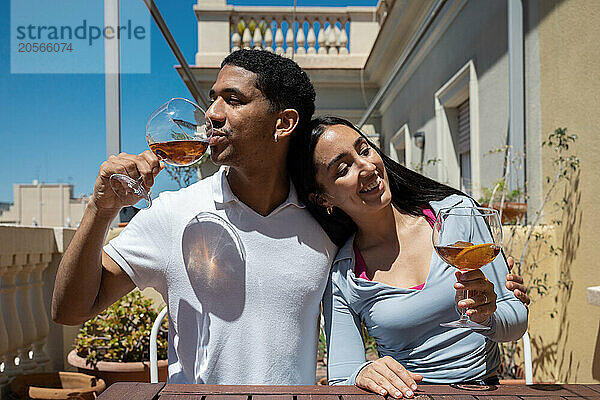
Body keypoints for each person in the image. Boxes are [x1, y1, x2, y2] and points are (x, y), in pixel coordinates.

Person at [52, 50, 529, 385]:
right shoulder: (174, 212)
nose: (211, 113)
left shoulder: (326, 226)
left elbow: (397, 278)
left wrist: (497, 302)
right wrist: (100, 209)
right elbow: (69, 312)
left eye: (233, 100)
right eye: (213, 98)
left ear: (283, 122)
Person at [288, 116, 528, 398]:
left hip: (484, 391)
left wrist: (487, 316)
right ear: (323, 199)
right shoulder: (343, 274)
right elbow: (343, 374)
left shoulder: (457, 215)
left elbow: (516, 319)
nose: (366, 167)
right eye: (343, 168)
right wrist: (364, 372)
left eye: (364, 150)